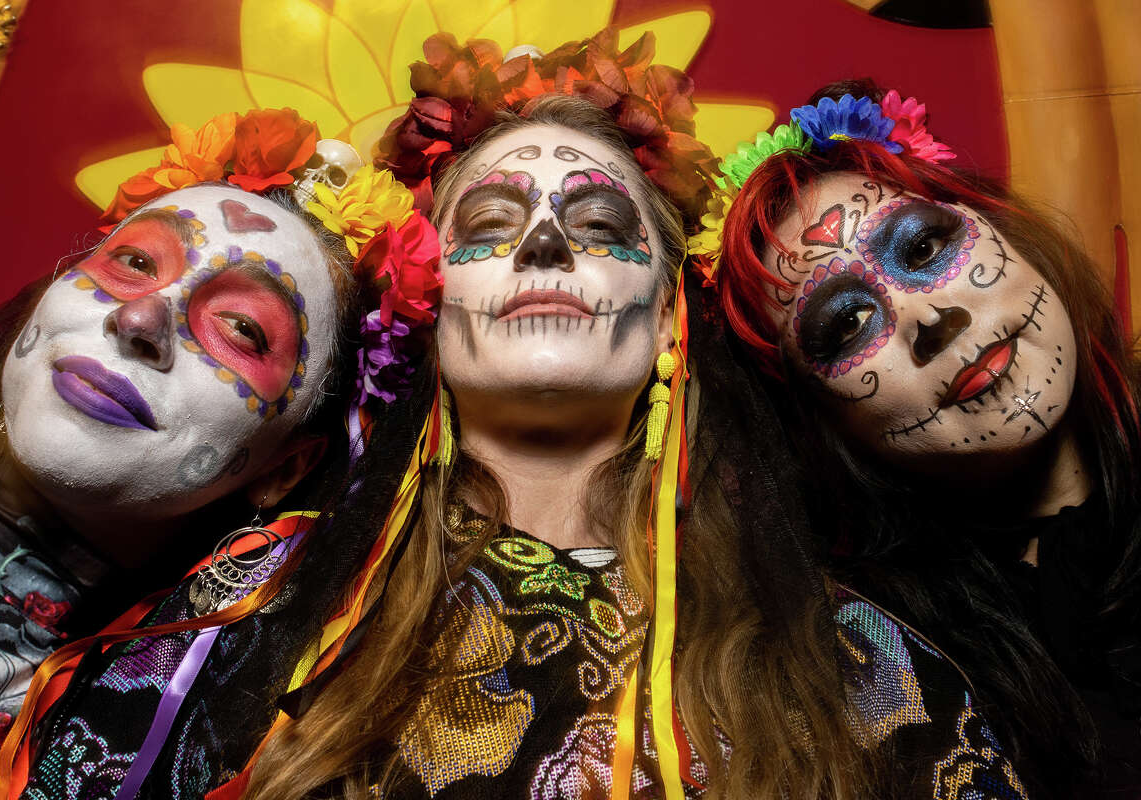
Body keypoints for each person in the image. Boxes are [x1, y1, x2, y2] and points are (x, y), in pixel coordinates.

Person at [229, 36, 1031, 800]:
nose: (544, 246)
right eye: (488, 227)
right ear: (430, 300)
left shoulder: (861, 663)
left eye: (602, 228)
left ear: (667, 319)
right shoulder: (253, 602)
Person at [0, 108, 443, 800]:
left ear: (286, 466)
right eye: (135, 262)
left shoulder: (172, 735)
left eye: (240, 328)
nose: (141, 319)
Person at [709, 79, 1141, 797]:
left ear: (999, 225)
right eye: (844, 322)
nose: (929, 318)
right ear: (823, 426)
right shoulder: (886, 679)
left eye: (922, 247)